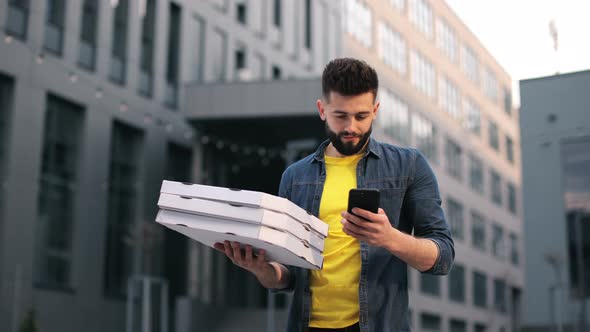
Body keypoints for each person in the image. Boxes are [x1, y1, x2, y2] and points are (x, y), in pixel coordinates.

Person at [214, 58, 454, 332]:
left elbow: (443, 257)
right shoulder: (295, 177)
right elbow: (288, 276)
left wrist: (389, 238)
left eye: (361, 116)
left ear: (375, 110)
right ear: (322, 109)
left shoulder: (409, 166)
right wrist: (261, 270)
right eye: (340, 116)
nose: (351, 126)